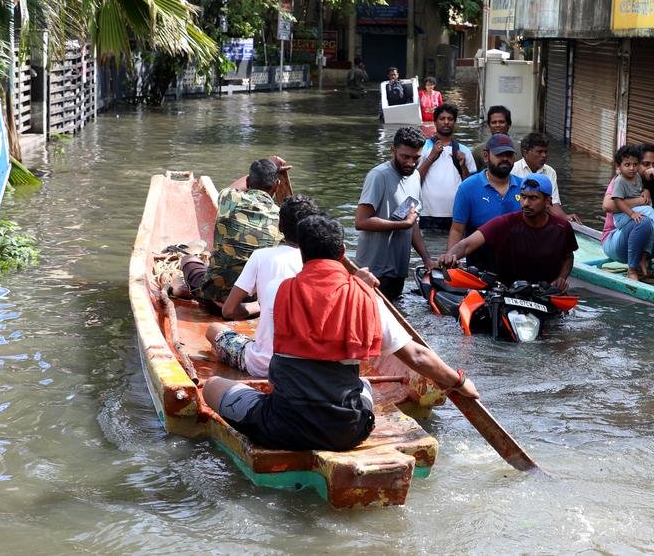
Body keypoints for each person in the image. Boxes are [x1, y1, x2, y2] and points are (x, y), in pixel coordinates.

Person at [202, 214, 479, 452]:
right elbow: (417, 356)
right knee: (366, 385)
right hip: (348, 431)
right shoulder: (365, 297)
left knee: (212, 387)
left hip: (284, 427)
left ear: (302, 254)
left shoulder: (279, 290)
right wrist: (458, 381)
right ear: (343, 252)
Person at [204, 195, 320, 377]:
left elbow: (228, 311)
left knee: (214, 329)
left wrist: (256, 307)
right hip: (308, 366)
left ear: (280, 227)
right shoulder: (320, 262)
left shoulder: (261, 256)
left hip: (263, 363)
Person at [180, 157, 292, 312]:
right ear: (277, 186)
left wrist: (268, 162)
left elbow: (235, 187)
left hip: (212, 298)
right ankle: (253, 307)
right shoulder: (280, 216)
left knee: (188, 259)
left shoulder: (229, 198)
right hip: (250, 298)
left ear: (248, 183)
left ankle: (177, 288)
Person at [438, 174, 577, 291]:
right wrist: (450, 256)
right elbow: (466, 244)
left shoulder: (562, 227)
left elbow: (568, 257)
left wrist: (561, 278)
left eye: (533, 198)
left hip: (545, 293)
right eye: (523, 197)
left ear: (548, 201)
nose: (525, 203)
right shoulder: (504, 223)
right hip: (507, 292)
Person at [354, 126, 435, 300]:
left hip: (398, 270)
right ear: (393, 150)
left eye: (416, 158)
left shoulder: (415, 177)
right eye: (405, 157)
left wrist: (427, 259)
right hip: (373, 271)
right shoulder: (378, 176)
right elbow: (361, 221)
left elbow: (412, 222)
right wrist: (403, 224)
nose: (411, 163)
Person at [448, 133, 524, 272]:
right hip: (479, 269)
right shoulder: (468, 188)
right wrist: (451, 259)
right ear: (485, 155)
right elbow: (457, 229)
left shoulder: (524, 188)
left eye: (509, 154)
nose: (505, 159)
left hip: (517, 269)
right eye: (500, 154)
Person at [607, 145, 654, 279]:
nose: (632, 168)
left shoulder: (637, 177)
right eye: (627, 165)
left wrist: (646, 191)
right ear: (618, 166)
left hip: (632, 214)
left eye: (635, 164)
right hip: (622, 218)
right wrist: (632, 214)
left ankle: (643, 257)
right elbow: (617, 202)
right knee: (647, 214)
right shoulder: (619, 180)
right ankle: (632, 270)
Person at [417, 104, 476, 231]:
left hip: (456, 216)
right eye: (442, 119)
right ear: (435, 122)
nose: (446, 122)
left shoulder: (464, 151)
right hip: (426, 214)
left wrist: (463, 166)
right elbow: (413, 180)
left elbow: (471, 187)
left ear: (454, 122)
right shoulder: (423, 148)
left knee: (452, 250)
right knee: (428, 249)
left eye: (450, 119)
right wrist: (431, 157)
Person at [512, 132, 580, 223]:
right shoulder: (513, 170)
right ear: (525, 152)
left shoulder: (550, 172)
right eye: (539, 152)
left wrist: (565, 217)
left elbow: (552, 203)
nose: (544, 155)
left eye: (545, 152)